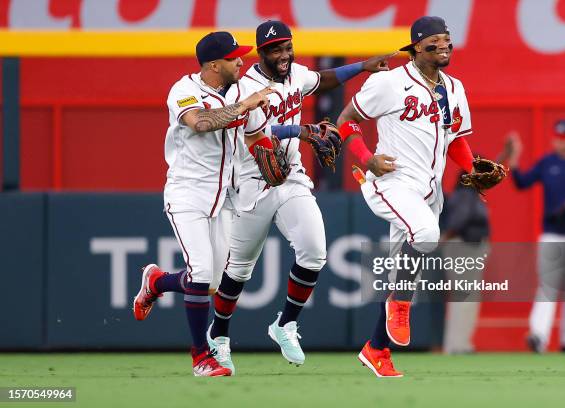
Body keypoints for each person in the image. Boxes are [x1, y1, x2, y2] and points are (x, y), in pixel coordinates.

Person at [205, 20, 394, 373]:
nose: (283, 55)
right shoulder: (245, 86)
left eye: (287, 48)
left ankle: (285, 324)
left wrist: (363, 66)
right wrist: (301, 130)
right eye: (275, 50)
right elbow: (252, 128)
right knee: (239, 270)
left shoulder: (295, 74)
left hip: (290, 178)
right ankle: (219, 335)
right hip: (251, 182)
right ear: (261, 53)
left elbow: (322, 79)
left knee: (314, 252)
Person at [337, 16, 480, 377]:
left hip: (430, 191)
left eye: (448, 39)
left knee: (404, 275)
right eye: (435, 41)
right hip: (393, 182)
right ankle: (398, 307)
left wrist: (473, 168)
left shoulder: (453, 87)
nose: (444, 46)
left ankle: (376, 348)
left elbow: (455, 139)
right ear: (416, 47)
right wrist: (366, 158)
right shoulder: (389, 82)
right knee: (427, 236)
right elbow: (346, 119)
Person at [131, 31, 277, 377]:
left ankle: (156, 282)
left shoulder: (242, 91)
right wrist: (245, 106)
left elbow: (256, 134)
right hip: (187, 194)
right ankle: (201, 358)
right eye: (233, 57)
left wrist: (278, 148)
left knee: (210, 281)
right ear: (214, 64)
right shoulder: (185, 90)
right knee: (199, 272)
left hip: (223, 196)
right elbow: (200, 123)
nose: (241, 61)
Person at [503, 120, 565, 353]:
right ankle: (538, 336)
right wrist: (514, 157)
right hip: (551, 235)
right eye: (556, 137)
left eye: (564, 138)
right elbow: (522, 183)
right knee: (547, 287)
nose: (559, 141)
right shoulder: (548, 162)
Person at [440, 172, 490, 354]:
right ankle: (457, 345)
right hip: (464, 247)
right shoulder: (465, 194)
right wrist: (445, 237)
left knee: (465, 297)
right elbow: (458, 222)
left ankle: (458, 343)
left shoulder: (467, 193)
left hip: (465, 247)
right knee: (465, 297)